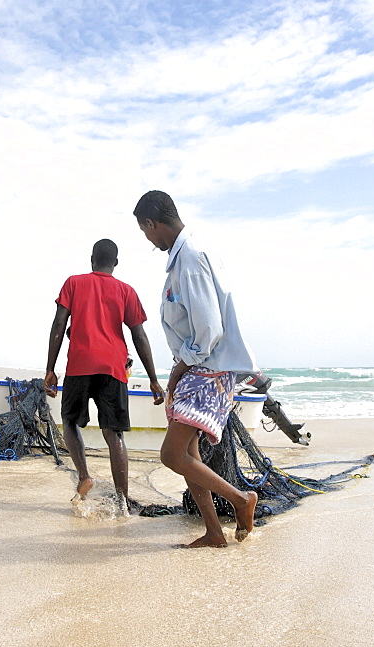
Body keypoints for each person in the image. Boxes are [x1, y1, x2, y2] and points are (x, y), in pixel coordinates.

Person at [133, 190, 259, 548]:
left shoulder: (190, 258)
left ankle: (240, 499)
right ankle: (215, 532)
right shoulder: (184, 256)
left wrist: (177, 371)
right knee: (190, 456)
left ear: (152, 223)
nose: (148, 239)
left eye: (145, 232)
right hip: (201, 366)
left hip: (207, 368)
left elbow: (209, 330)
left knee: (171, 455)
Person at [44, 239, 165, 508]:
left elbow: (58, 325)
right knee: (114, 434)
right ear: (116, 263)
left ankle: (85, 476)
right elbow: (139, 335)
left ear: (91, 259)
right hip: (113, 367)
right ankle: (122, 500)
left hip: (79, 364)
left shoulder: (73, 283)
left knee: (70, 421)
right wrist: (154, 380)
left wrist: (50, 369)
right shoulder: (126, 291)